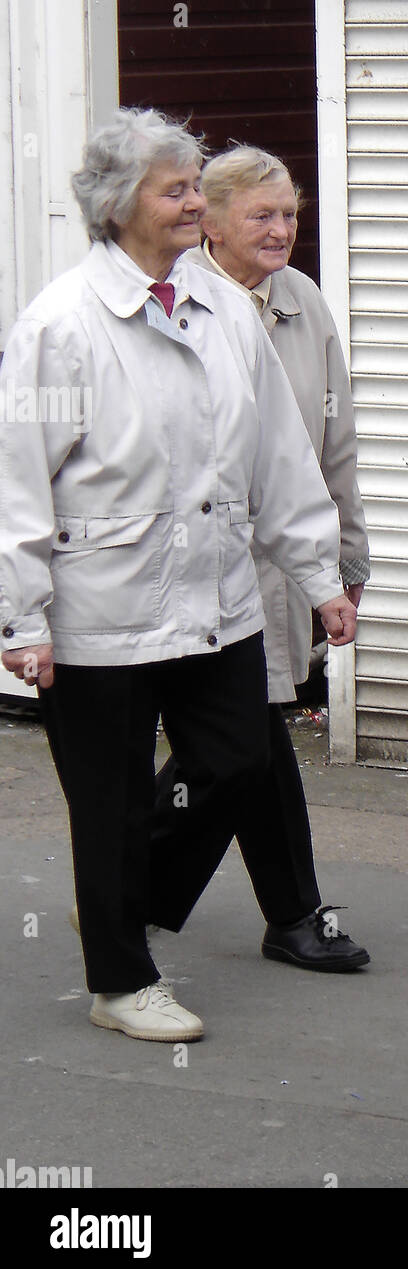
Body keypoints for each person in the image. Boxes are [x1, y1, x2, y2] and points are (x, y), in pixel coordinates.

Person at [0, 108, 357, 1041]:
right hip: (100, 608)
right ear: (120, 206)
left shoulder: (225, 313)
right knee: (110, 805)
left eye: (197, 187)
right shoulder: (62, 325)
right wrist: (21, 620)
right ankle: (121, 981)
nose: (197, 203)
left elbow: (279, 453)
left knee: (239, 759)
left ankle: (128, 900)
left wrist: (319, 575)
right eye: (178, 190)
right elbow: (18, 484)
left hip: (217, 604)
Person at [150, 144, 370, 972]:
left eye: (290, 214)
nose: (282, 230)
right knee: (243, 739)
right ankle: (286, 912)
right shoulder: (179, 302)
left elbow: (332, 439)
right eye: (262, 216)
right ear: (211, 219)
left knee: (245, 738)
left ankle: (134, 879)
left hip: (290, 557)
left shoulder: (302, 302)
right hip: (204, 560)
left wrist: (346, 553)